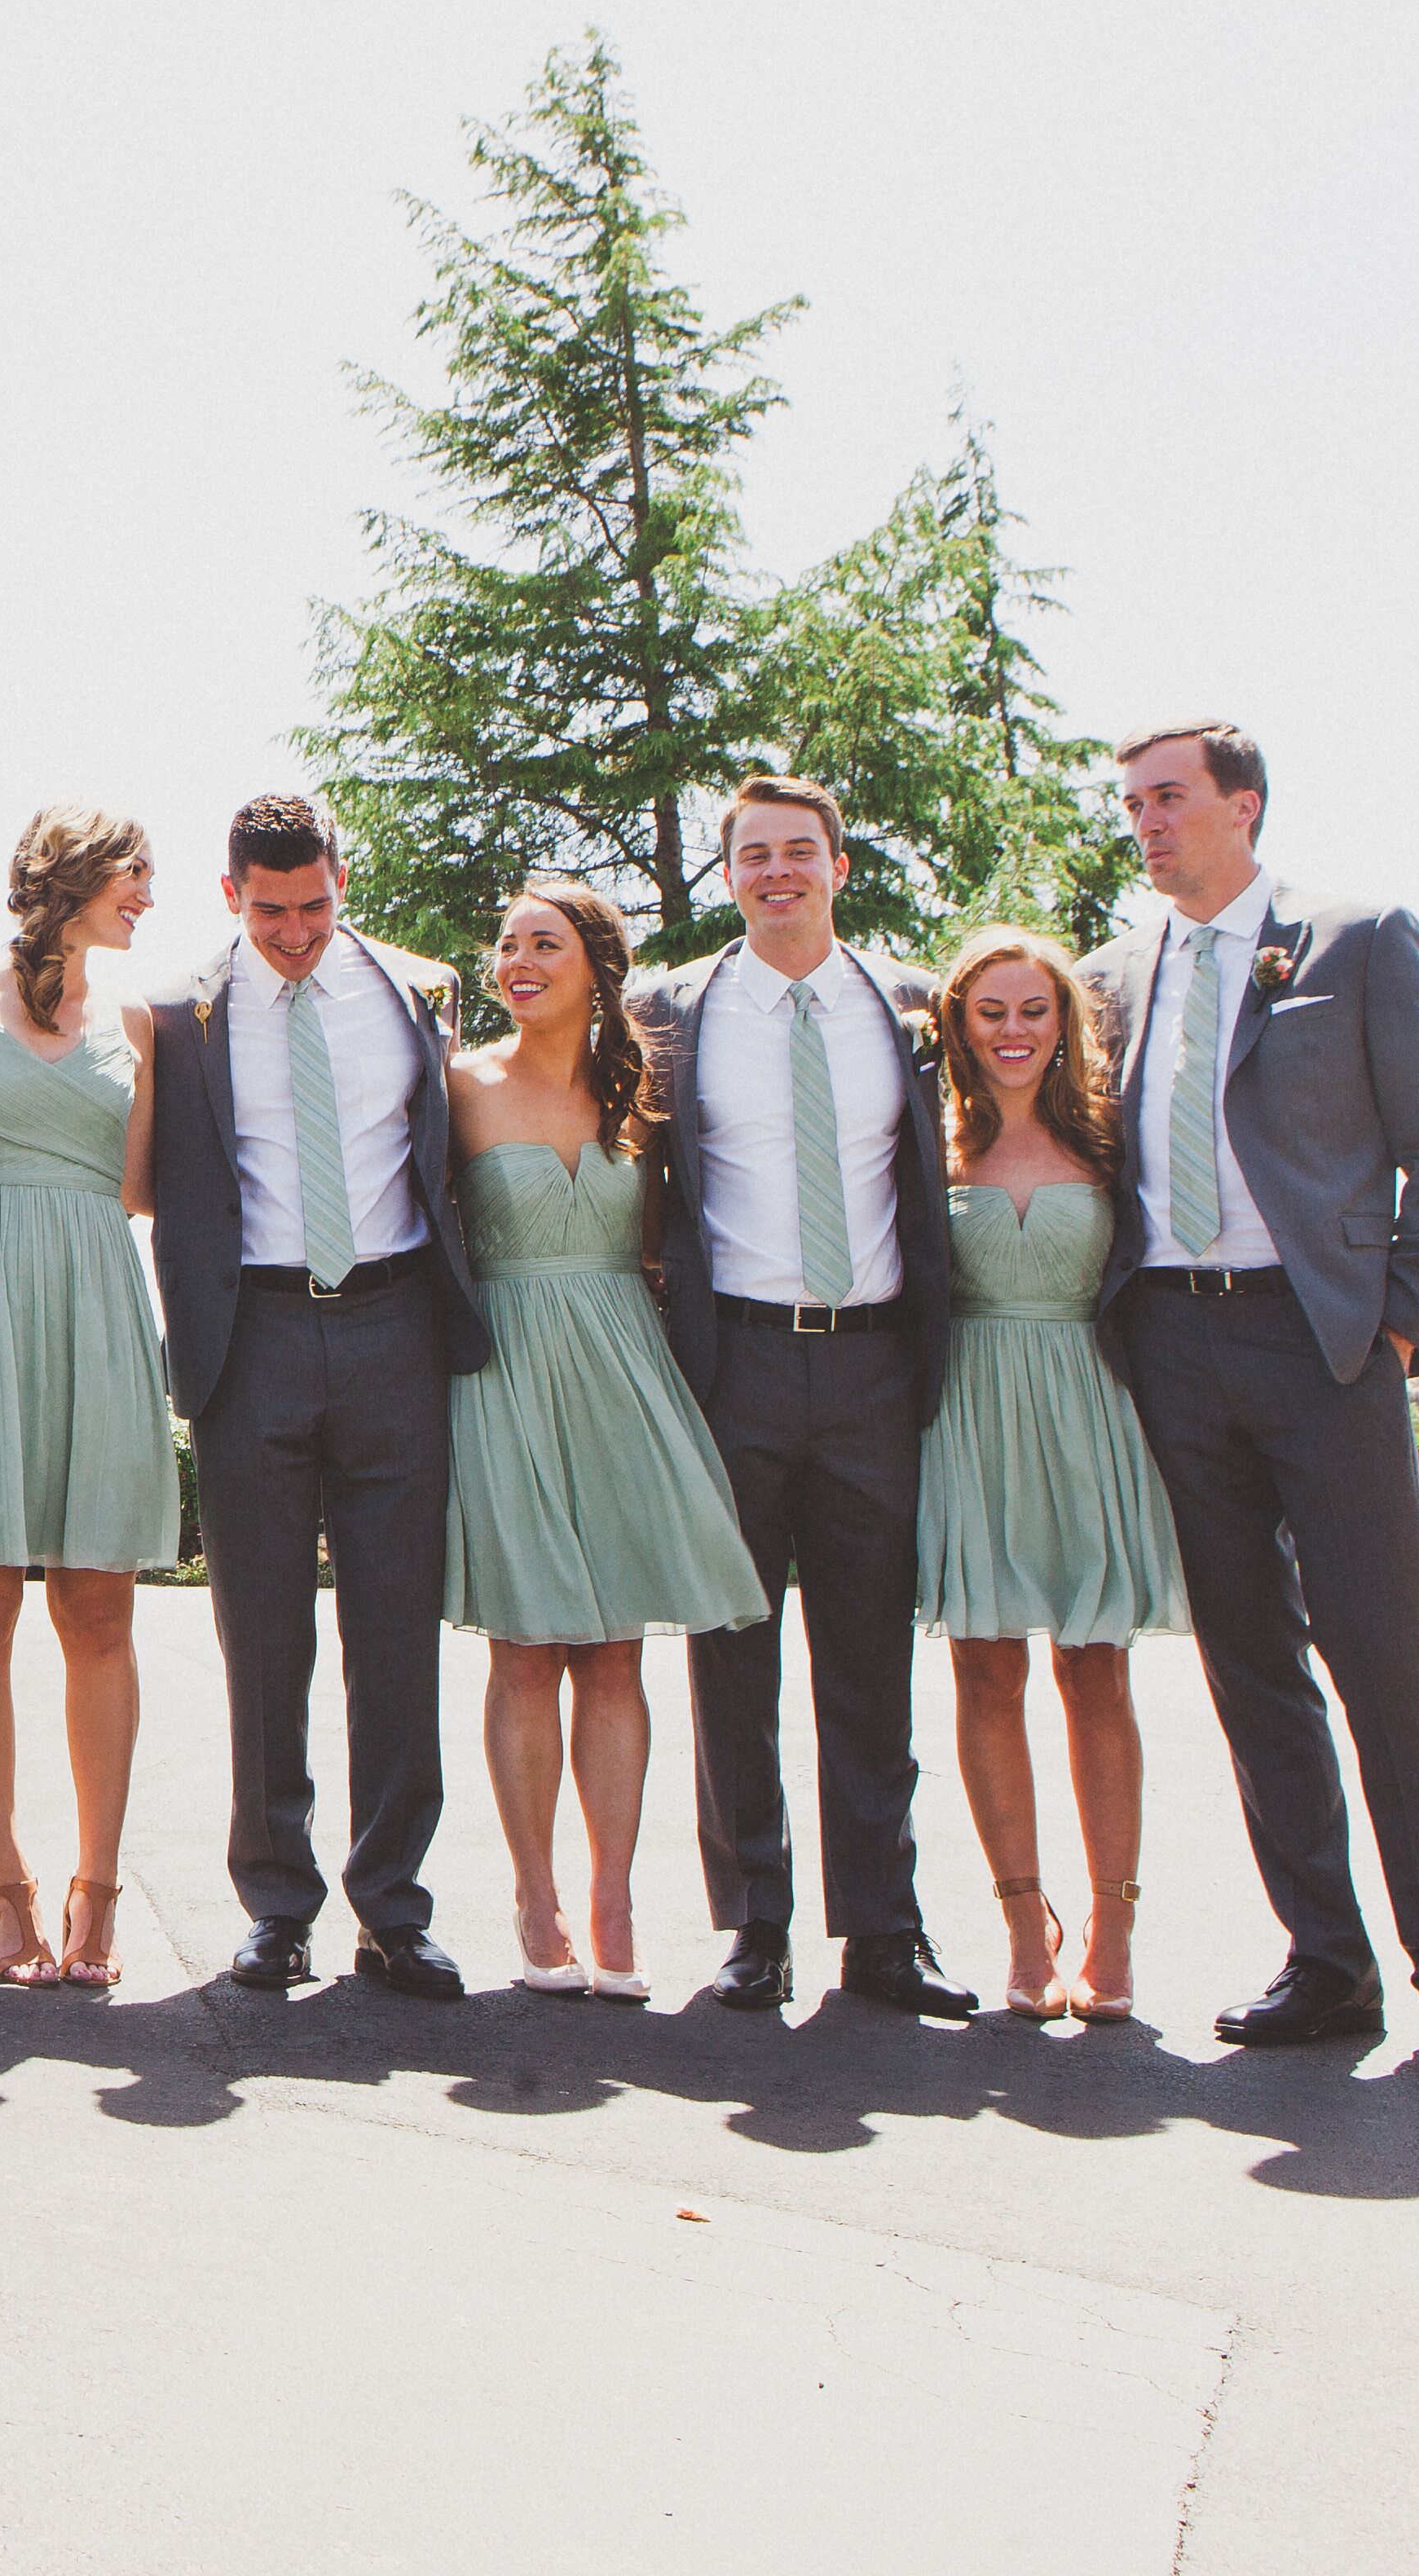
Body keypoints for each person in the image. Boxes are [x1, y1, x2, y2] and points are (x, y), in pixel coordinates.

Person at [1082, 723, 1419, 2077]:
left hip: (1324, 1350)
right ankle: (1325, 1964)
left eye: (1170, 797)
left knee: (1388, 1664)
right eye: (1132, 802)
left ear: (1242, 805)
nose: (1146, 822)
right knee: (1250, 1667)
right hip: (1169, 1345)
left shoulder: (1360, 941)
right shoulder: (1110, 974)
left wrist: (1395, 1331)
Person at [623, 777, 974, 2019]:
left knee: (871, 1663)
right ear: (729, 877)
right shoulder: (673, 1010)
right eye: (754, 855)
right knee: (734, 1654)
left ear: (838, 862)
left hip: (877, 1358)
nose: (778, 872)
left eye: (799, 851)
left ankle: (886, 1931)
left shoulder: (913, 1006)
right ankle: (754, 1926)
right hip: (739, 1364)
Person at [142, 796, 487, 2000]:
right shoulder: (179, 1012)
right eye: (271, 910)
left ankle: (392, 1904)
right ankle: (275, 1904)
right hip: (254, 1330)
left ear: (345, 879)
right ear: (229, 892)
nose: (295, 933)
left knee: (395, 1635)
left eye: (316, 907)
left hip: (395, 1321)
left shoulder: (413, 992)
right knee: (264, 1636)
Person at [441, 881, 768, 2001]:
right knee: (528, 1644)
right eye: (507, 943)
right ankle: (534, 1898)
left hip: (627, 1367)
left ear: (596, 965)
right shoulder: (457, 1086)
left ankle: (614, 1897)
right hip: (508, 1371)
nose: (517, 960)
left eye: (544, 942)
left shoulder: (645, 1089)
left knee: (618, 1647)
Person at [0, 807, 174, 1990]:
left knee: (100, 1611)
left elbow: (140, 1189)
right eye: (134, 875)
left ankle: (97, 1889)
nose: (149, 899)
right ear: (72, 876)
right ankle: (6, 1884)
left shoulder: (143, 1024)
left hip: (98, 1307)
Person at [919, 925, 1183, 2022]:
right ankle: (1025, 1928)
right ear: (959, 1027)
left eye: (1034, 1011)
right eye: (991, 1013)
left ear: (1065, 1021)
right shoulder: (923, 1145)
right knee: (985, 1672)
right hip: (970, 1417)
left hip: (1091, 1411)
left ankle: (1112, 1929)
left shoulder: (1118, 1144)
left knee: (1096, 1673)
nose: (1013, 1032)